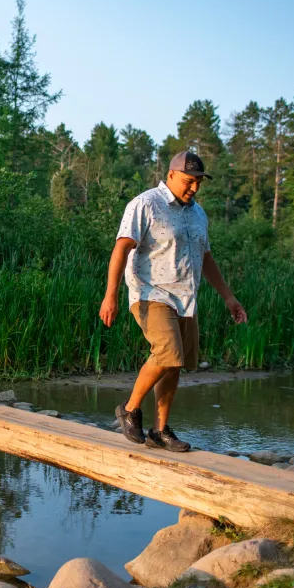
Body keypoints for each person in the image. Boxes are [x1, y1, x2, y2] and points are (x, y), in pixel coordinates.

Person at [99, 151, 248, 452]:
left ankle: (160, 430)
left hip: (185, 298)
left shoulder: (198, 214)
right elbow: (122, 248)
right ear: (170, 175)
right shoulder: (146, 204)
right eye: (189, 181)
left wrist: (229, 298)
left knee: (174, 364)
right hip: (150, 292)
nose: (194, 188)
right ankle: (129, 409)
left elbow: (206, 258)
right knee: (168, 352)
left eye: (198, 183)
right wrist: (110, 295)